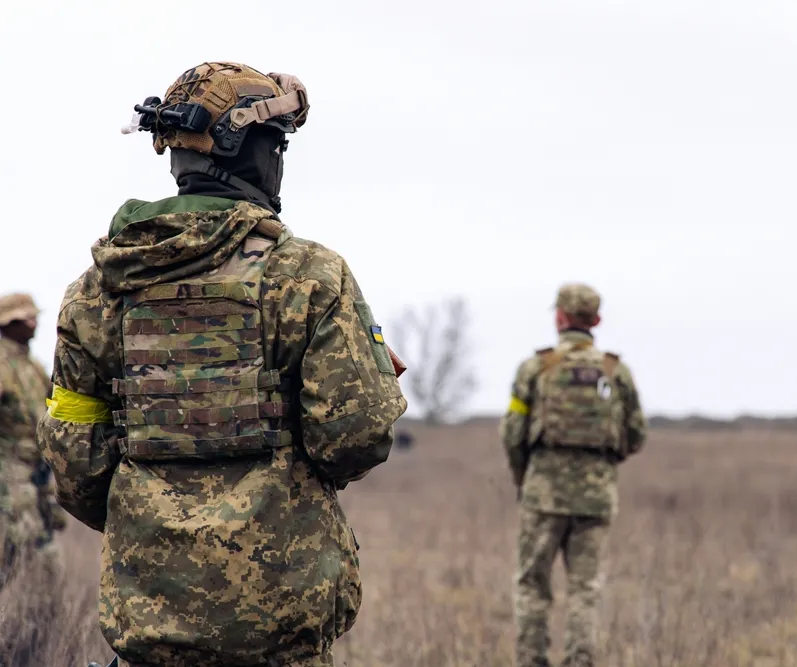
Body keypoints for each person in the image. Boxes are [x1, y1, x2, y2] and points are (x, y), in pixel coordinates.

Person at [36, 62, 408, 667]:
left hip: (150, 622)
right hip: (283, 623)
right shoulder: (309, 276)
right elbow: (356, 437)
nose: (281, 161)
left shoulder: (96, 291)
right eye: (278, 144)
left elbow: (74, 464)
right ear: (247, 149)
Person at [500, 283, 647, 667]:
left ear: (560, 318)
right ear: (596, 321)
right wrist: (601, 465)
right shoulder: (616, 371)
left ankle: (532, 661)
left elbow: (512, 432)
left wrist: (523, 477)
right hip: (597, 498)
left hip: (543, 494)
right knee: (586, 589)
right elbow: (636, 434)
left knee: (533, 585)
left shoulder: (536, 368)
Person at [0, 292, 66, 579]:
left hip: (36, 470)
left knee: (39, 540)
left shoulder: (33, 366)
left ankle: (45, 610)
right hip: (9, 469)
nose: (34, 322)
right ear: (8, 322)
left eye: (34, 316)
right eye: (26, 317)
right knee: (28, 538)